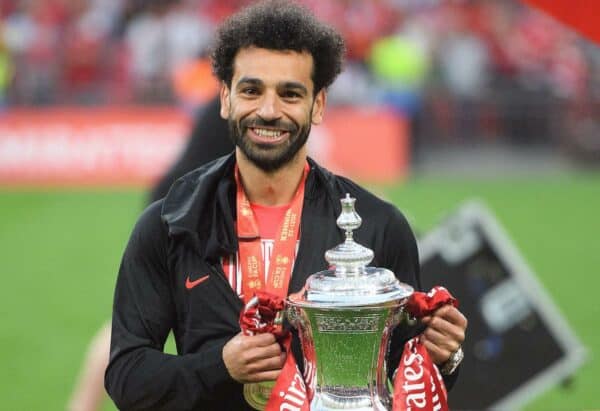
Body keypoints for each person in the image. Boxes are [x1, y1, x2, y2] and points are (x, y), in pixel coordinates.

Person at [105, 1, 468, 410]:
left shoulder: (376, 227)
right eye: (251, 90)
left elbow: (404, 376)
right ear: (225, 98)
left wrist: (443, 355)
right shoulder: (169, 225)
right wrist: (219, 366)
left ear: (318, 104)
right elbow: (127, 378)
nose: (268, 110)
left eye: (290, 94)